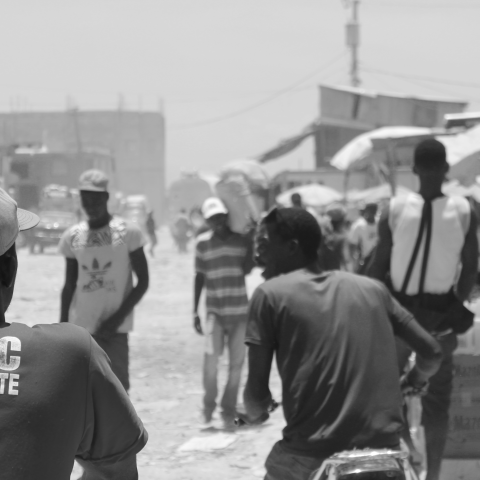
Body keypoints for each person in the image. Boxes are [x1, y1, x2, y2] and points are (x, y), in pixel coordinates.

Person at [243, 207, 443, 480]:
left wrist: (256, 413)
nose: (257, 256)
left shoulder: (269, 295)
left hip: (310, 455)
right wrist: (413, 381)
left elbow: (255, 399)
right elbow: (431, 353)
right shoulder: (373, 290)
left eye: (263, 245)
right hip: (386, 455)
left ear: (292, 248)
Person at [0, 188, 148, 479]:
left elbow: (141, 280)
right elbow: (115, 474)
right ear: (8, 269)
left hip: (110, 329)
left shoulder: (126, 233)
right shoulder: (68, 353)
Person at [367, 139, 478, 480]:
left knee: (387, 395)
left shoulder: (394, 208)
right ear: (446, 169)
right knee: (438, 401)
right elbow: (471, 267)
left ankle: (400, 462)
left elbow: (376, 268)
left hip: (399, 316)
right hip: (441, 319)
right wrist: (454, 301)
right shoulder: (466, 209)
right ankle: (433, 475)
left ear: (413, 169)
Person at [59, 169, 149, 392]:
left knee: (118, 392)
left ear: (107, 198)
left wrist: (116, 320)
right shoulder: (72, 236)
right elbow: (69, 285)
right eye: (86, 199)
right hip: (81, 332)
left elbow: (143, 282)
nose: (91, 204)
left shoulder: (129, 233)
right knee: (83, 392)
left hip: (115, 331)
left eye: (96, 198)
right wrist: (62, 328)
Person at [193, 197, 255, 428]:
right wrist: (194, 312)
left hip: (240, 310)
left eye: (220, 217)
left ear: (226, 217)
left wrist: (250, 243)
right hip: (215, 313)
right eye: (212, 219)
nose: (217, 222)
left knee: (237, 364)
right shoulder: (202, 244)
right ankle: (208, 408)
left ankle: (228, 409)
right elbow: (199, 277)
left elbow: (248, 268)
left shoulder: (240, 241)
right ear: (208, 221)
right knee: (211, 363)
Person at [348, 202, 379, 274]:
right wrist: (354, 263)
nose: (372, 213)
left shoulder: (379, 222)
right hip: (364, 261)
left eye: (374, 210)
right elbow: (352, 246)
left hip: (378, 261)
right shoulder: (358, 226)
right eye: (370, 210)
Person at [317, 202, 348, 270]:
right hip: (337, 276)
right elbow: (346, 261)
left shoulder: (321, 237)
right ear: (341, 220)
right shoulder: (341, 239)